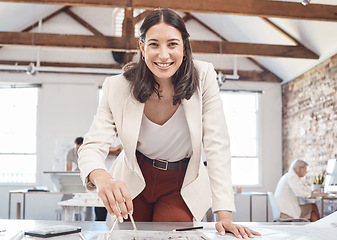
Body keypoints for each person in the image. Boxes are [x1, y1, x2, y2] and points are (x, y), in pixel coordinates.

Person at [78, 8, 260, 238]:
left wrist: (224, 216)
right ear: (142, 48)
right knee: (127, 236)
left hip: (180, 182)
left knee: (175, 235)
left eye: (172, 44)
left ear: (184, 48)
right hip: (135, 178)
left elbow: (217, 145)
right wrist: (102, 177)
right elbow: (92, 145)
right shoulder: (117, 87)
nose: (163, 55)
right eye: (154, 44)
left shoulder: (203, 76)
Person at [94, 134, 123, 221]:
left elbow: (122, 150)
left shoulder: (124, 136)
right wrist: (115, 149)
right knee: (100, 214)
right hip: (103, 179)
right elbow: (97, 150)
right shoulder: (104, 135)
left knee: (118, 214)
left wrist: (110, 150)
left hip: (119, 179)